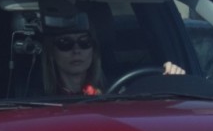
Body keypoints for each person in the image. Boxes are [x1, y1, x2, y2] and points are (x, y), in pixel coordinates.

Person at [41, 21, 184, 96]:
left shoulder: (120, 89)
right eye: (65, 44)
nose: (76, 50)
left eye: (85, 42)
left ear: (94, 50)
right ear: (51, 52)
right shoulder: (35, 98)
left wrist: (172, 80)